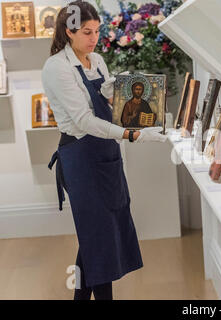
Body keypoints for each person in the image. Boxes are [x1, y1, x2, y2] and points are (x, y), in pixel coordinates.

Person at [41, 1, 167, 300]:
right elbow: (84, 121)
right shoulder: (57, 67)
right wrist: (132, 134)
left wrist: (116, 97)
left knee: (99, 238)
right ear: (69, 31)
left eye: (97, 31)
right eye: (87, 32)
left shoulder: (96, 60)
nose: (94, 38)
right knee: (98, 238)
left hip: (106, 158)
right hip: (81, 159)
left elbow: (108, 111)